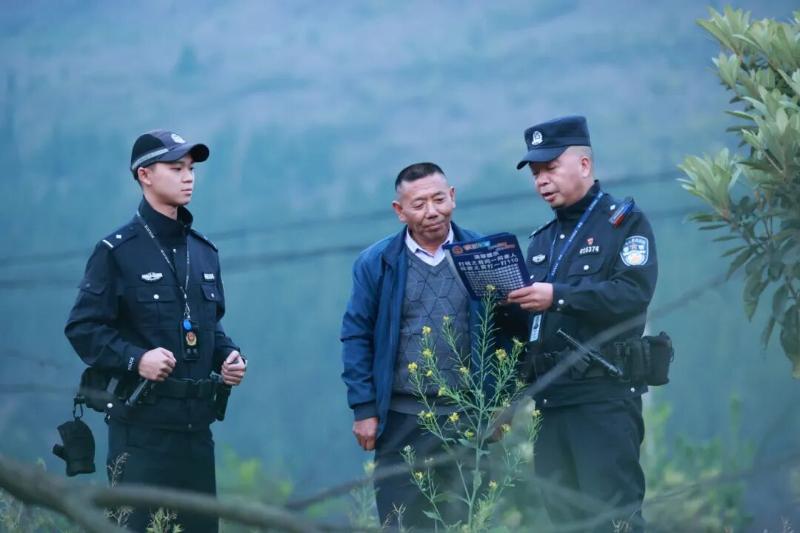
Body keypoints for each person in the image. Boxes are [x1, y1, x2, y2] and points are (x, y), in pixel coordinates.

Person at [65, 129, 247, 533]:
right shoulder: (116, 251)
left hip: (197, 433)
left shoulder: (204, 252)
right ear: (145, 175)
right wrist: (137, 359)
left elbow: (209, 326)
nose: (188, 177)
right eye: (176, 168)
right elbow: (82, 327)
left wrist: (229, 357)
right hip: (140, 434)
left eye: (191, 168)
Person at [505, 116, 657, 532]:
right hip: (551, 404)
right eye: (536, 173)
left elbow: (632, 295)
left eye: (550, 168)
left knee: (614, 519)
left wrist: (558, 295)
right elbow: (532, 329)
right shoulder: (541, 240)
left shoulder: (623, 223)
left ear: (584, 165)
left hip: (604, 397)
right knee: (566, 521)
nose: (542, 181)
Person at [340, 162, 486, 528]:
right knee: (400, 521)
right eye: (419, 204)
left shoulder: (481, 253)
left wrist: (501, 404)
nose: (431, 211)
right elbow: (356, 334)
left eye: (439, 199)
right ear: (399, 211)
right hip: (401, 418)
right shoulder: (377, 263)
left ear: (453, 197)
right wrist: (363, 408)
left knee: (465, 520)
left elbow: (508, 329)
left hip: (466, 414)